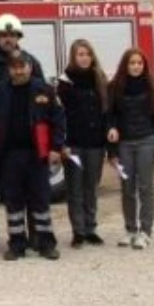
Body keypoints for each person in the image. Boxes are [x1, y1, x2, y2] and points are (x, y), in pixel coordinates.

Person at [0, 50, 65, 261]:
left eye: (22, 66)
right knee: (13, 203)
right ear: (9, 69)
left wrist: (55, 148)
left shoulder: (45, 89)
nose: (19, 70)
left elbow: (58, 120)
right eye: (14, 67)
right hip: (9, 156)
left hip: (37, 155)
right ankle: (16, 244)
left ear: (30, 67)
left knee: (41, 201)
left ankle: (46, 244)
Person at [107, 48, 154, 250]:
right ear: (125, 65)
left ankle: (145, 232)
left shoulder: (151, 86)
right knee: (127, 188)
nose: (136, 66)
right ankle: (130, 229)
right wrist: (112, 145)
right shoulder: (114, 87)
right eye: (132, 63)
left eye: (139, 63)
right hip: (124, 143)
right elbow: (110, 115)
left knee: (146, 188)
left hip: (146, 141)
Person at [55, 39, 110, 249]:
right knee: (75, 188)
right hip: (74, 144)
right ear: (73, 57)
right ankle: (78, 231)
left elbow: (106, 111)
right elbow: (59, 116)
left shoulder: (100, 79)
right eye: (80, 54)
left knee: (91, 187)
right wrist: (62, 143)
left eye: (87, 54)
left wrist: (107, 139)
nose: (84, 58)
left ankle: (90, 229)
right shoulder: (65, 82)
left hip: (95, 144)